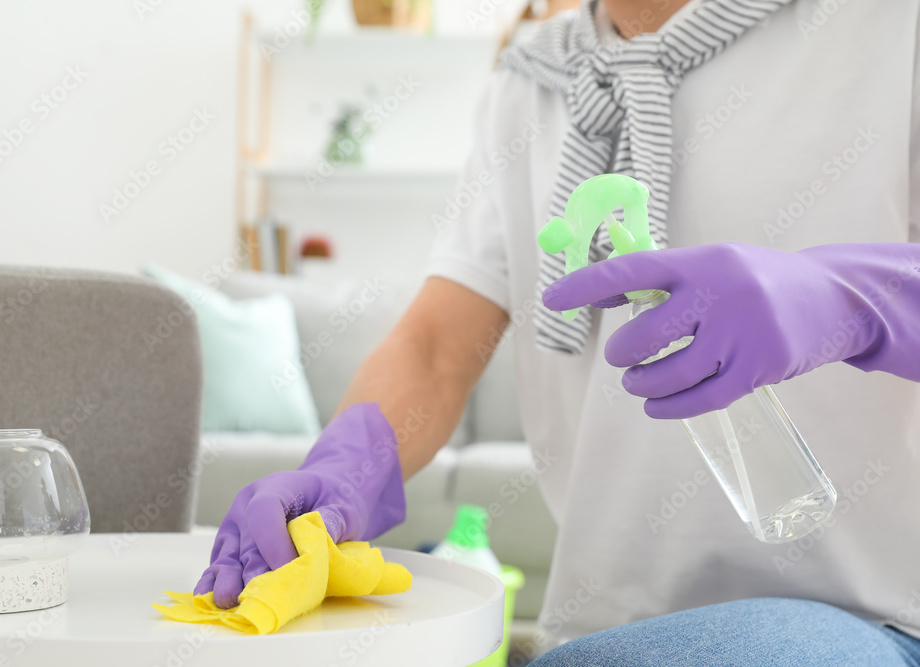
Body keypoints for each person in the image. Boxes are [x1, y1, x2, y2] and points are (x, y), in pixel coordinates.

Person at [197, 0, 920, 664]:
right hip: (596, 629)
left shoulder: (890, 29)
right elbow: (438, 345)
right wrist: (342, 467)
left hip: (873, 616)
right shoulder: (529, 83)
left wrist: (851, 300)